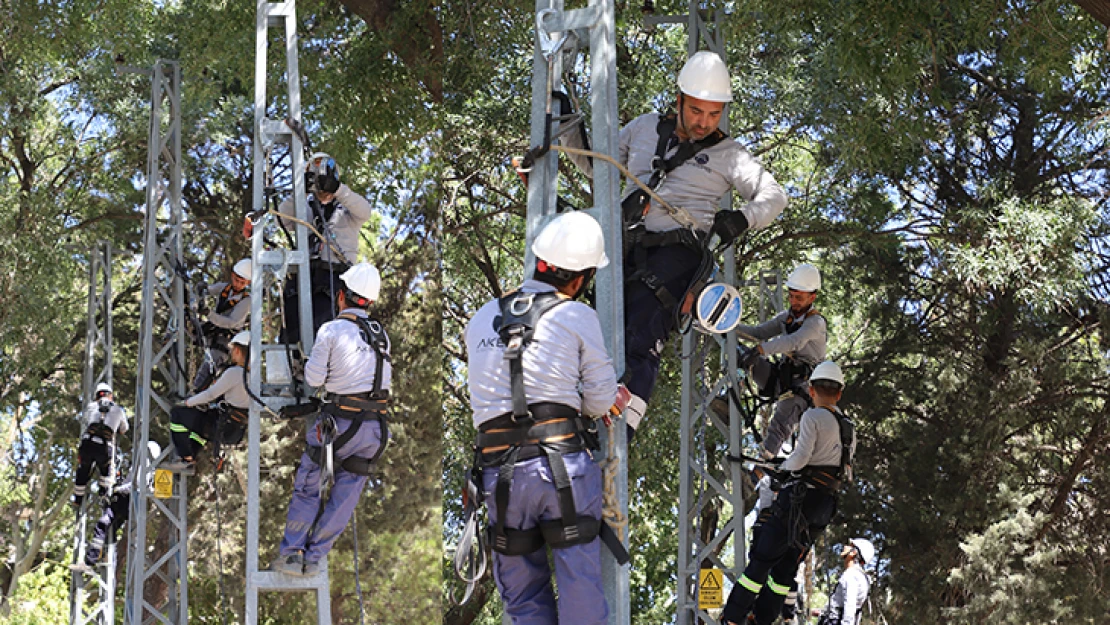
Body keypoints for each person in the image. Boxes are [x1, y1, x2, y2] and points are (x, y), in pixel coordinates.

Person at [616, 51, 788, 439]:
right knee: (596, 333)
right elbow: (601, 164)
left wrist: (742, 218)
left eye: (714, 115)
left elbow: (774, 195)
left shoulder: (730, 156)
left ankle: (618, 434)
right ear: (678, 99)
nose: (704, 123)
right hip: (625, 249)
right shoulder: (643, 129)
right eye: (696, 111)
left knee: (642, 330)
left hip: (678, 255)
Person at [465, 211, 627, 625]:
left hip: (500, 477)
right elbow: (598, 401)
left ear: (538, 261)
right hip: (562, 473)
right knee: (579, 590)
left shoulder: (481, 318)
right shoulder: (576, 316)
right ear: (581, 279)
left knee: (523, 600)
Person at [273, 262, 391, 576]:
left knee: (311, 484)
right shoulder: (381, 336)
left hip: (338, 426)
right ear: (371, 302)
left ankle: (292, 553)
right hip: (374, 430)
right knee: (345, 498)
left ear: (341, 296)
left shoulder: (333, 329)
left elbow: (314, 378)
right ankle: (314, 559)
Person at [721, 361, 856, 625]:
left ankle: (733, 618)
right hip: (825, 505)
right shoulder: (849, 426)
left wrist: (782, 468)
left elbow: (801, 458)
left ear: (811, 389)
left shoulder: (813, 416)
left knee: (761, 560)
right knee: (785, 569)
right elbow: (845, 469)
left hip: (801, 500)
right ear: (839, 393)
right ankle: (764, 620)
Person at [712, 263, 826, 458]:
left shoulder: (815, 323)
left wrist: (761, 350)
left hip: (800, 387)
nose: (793, 301)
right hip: (779, 377)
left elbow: (793, 342)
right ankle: (728, 402)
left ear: (812, 297)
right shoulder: (786, 318)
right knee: (740, 353)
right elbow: (759, 332)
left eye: (799, 297)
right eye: (791, 296)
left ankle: (762, 465)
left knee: (781, 421)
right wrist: (728, 325)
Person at [278, 152, 375, 344]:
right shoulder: (301, 208)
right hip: (302, 277)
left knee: (323, 333)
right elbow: (280, 219)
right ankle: (293, 369)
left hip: (333, 281)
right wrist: (301, 191)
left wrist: (339, 189)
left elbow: (366, 211)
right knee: (291, 331)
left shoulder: (347, 209)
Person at [165, 331, 252, 470]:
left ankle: (186, 457)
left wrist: (187, 402)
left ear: (237, 350)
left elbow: (211, 394)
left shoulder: (234, 373)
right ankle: (191, 455)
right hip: (234, 430)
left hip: (221, 425)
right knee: (200, 426)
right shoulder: (252, 376)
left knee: (178, 414)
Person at [71, 442, 161, 574]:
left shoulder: (144, 465)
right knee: (110, 531)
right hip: (130, 502)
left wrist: (118, 489)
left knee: (104, 524)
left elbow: (138, 485)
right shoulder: (146, 466)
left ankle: (91, 560)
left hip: (126, 499)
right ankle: (103, 557)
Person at [192, 258, 252, 391]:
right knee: (189, 326)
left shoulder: (246, 300)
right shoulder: (224, 288)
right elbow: (208, 290)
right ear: (232, 276)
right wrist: (202, 289)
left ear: (248, 283)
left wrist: (209, 314)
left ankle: (196, 394)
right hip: (214, 330)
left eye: (243, 283)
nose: (238, 284)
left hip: (226, 339)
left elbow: (232, 322)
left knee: (210, 366)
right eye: (236, 280)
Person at [73, 383, 129, 508]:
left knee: (83, 470)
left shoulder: (91, 406)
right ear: (111, 396)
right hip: (104, 447)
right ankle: (104, 495)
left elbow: (86, 421)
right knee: (106, 472)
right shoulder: (118, 410)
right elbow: (124, 429)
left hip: (88, 443)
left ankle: (78, 499)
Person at [815, 537, 873, 625]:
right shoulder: (861, 577)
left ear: (853, 552)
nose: (845, 546)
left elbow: (850, 607)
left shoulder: (851, 575)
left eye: (850, 546)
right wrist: (822, 612)